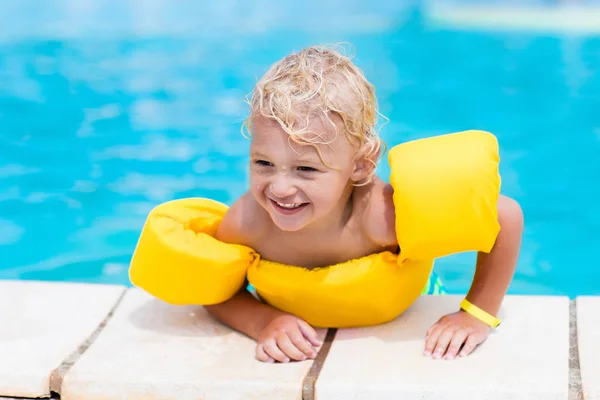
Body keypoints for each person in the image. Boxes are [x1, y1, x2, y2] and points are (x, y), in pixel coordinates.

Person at [130, 45, 523, 364]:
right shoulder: (248, 222)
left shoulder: (384, 219)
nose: (280, 188)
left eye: (305, 169)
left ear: (360, 165)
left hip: (414, 295)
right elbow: (214, 288)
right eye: (263, 163)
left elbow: (504, 216)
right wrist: (264, 321)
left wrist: (476, 314)